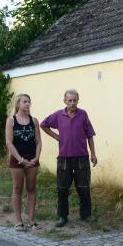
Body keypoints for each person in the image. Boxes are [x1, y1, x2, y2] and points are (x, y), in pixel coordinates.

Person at [40, 89, 98, 227]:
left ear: (78, 100)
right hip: (64, 158)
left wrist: (93, 154)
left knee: (83, 188)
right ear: (64, 101)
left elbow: (89, 134)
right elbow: (43, 125)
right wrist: (57, 137)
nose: (72, 103)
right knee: (62, 188)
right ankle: (62, 217)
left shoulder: (83, 114)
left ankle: (86, 215)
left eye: (74, 100)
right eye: (69, 100)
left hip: (82, 157)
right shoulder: (58, 115)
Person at [5, 93, 42, 230]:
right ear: (18, 104)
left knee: (31, 188)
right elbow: (9, 142)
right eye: (24, 101)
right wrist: (20, 159)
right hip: (17, 159)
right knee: (17, 188)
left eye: (29, 102)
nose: (27, 104)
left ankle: (32, 220)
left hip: (32, 158)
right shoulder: (11, 121)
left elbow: (38, 141)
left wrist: (36, 157)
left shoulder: (34, 120)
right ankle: (18, 220)